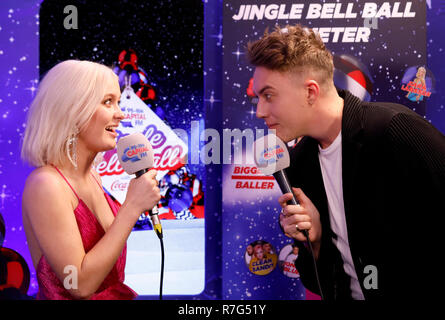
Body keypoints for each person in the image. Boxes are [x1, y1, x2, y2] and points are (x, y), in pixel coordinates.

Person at [247, 24, 445, 300]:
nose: (259, 111)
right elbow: (320, 283)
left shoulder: (395, 130)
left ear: (310, 92)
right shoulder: (299, 164)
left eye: (268, 96)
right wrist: (314, 242)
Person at [21, 60, 161, 300]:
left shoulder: (94, 176)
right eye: (108, 102)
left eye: (117, 101)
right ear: (73, 110)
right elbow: (79, 284)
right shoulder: (46, 185)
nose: (120, 113)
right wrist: (132, 207)